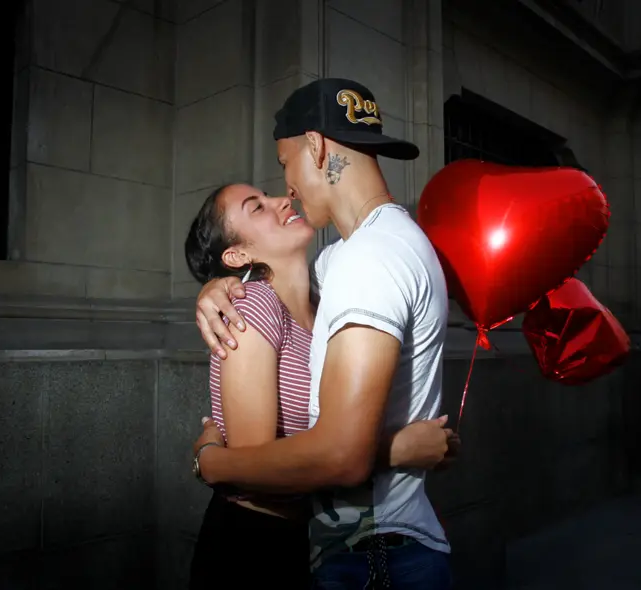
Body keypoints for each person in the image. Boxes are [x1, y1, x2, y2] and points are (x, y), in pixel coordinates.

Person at [189, 78, 455, 589]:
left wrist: (210, 462)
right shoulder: (344, 264)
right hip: (289, 545)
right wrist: (218, 286)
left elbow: (338, 455)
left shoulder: (366, 259)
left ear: (315, 146)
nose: (286, 190)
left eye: (286, 164)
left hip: (374, 555)